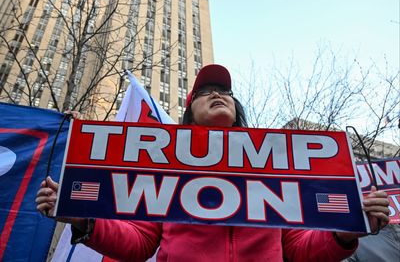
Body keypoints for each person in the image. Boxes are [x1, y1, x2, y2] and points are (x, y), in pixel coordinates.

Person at [36, 64, 390, 262]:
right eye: (204, 93)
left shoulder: (278, 167)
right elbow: (141, 242)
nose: (217, 94)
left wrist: (346, 231)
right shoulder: (162, 166)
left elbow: (296, 248)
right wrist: (84, 218)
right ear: (189, 114)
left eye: (224, 92)